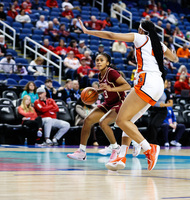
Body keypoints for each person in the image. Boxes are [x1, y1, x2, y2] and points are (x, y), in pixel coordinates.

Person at [74, 19, 178, 171]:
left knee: (121, 121)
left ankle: (149, 149)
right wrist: (174, 56)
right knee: (128, 122)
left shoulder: (140, 38)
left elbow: (110, 34)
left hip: (146, 82)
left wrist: (88, 31)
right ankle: (120, 157)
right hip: (158, 86)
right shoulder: (160, 44)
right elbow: (174, 58)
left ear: (141, 30)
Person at [67, 52, 131, 162]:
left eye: (101, 60)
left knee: (103, 122)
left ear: (107, 63)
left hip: (119, 102)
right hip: (108, 103)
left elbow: (127, 86)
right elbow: (107, 88)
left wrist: (110, 89)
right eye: (97, 60)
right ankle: (81, 152)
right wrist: (96, 92)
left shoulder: (112, 72)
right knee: (87, 120)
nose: (98, 62)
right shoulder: (100, 74)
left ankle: (115, 149)